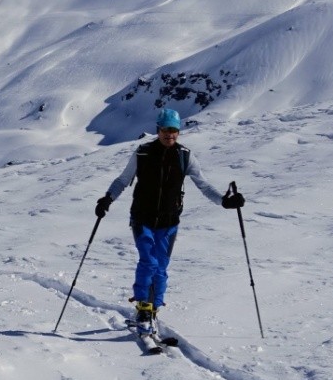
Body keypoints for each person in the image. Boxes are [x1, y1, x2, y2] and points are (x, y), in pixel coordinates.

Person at [94, 108, 244, 331]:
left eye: (173, 130)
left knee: (161, 266)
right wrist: (107, 199)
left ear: (178, 132)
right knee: (148, 261)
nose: (169, 134)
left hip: (169, 221)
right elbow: (123, 180)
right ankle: (143, 307)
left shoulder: (185, 156)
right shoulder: (143, 153)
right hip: (142, 218)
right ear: (158, 129)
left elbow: (203, 185)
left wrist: (224, 201)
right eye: (165, 129)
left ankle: (153, 307)